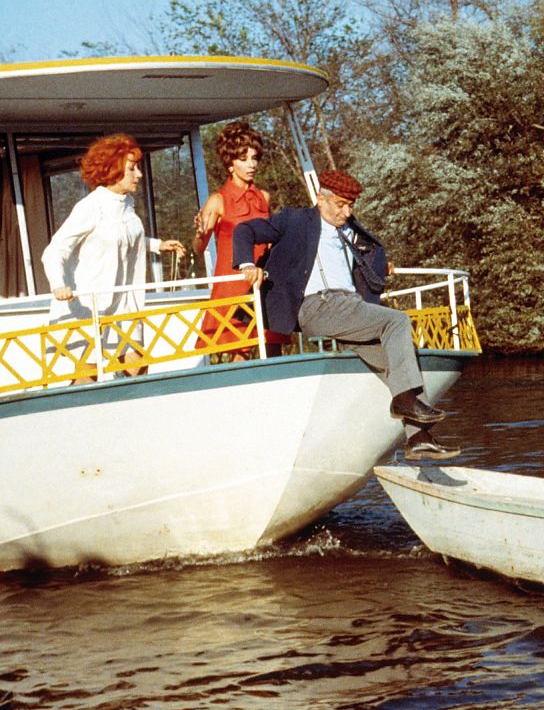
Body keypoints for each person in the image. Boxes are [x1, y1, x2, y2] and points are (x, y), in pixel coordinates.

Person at [232, 170, 460, 460]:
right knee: (397, 320)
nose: (346, 211)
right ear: (321, 199)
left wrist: (381, 267)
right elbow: (245, 231)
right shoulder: (295, 220)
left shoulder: (349, 230)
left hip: (349, 307)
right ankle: (403, 402)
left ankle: (419, 438)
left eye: (350, 205)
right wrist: (245, 264)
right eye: (340, 204)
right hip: (318, 306)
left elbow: (364, 261)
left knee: (400, 358)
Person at [41, 133, 185, 381]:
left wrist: (158, 245)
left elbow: (121, 237)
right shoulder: (91, 206)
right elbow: (54, 251)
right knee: (87, 376)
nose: (139, 174)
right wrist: (58, 284)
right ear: (112, 170)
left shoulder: (126, 203)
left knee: (137, 368)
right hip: (88, 304)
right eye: (131, 169)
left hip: (123, 302)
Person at [192, 121, 290, 358]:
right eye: (244, 159)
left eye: (255, 158)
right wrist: (199, 233)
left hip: (264, 283)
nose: (251, 164)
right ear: (230, 163)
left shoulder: (264, 197)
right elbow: (198, 249)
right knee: (238, 355)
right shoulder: (218, 200)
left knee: (273, 349)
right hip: (232, 286)